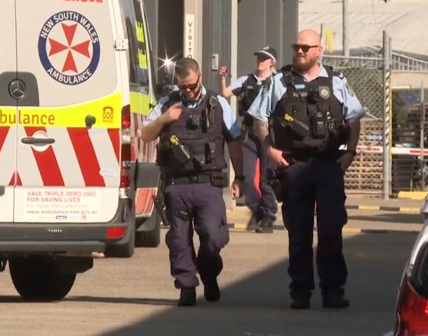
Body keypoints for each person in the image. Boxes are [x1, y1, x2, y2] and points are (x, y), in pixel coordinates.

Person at [247, 29, 365, 310]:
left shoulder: (336, 81)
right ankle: (300, 291)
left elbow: (354, 117)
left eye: (305, 47)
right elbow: (259, 119)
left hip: (327, 166)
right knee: (298, 234)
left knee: (331, 231)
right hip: (294, 166)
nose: (299, 51)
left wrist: (349, 153)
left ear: (319, 50)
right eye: (296, 46)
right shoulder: (278, 81)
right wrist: (270, 150)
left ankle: (333, 290)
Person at [141, 57, 244, 307]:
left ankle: (209, 274)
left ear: (199, 77)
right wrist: (164, 119)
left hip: (208, 183)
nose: (187, 91)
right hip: (177, 185)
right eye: (182, 86)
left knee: (212, 236)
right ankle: (186, 286)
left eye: (191, 85)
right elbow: (145, 135)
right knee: (178, 239)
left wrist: (239, 177)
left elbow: (234, 140)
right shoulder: (167, 103)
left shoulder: (218, 104)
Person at [218, 46, 279, 233]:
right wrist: (222, 78)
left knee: (265, 180)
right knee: (244, 175)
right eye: (259, 57)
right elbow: (225, 94)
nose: (260, 60)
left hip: (269, 134)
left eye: (264, 58)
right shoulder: (247, 80)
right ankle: (257, 211)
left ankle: (268, 216)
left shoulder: (278, 81)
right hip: (250, 133)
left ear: (271, 62)